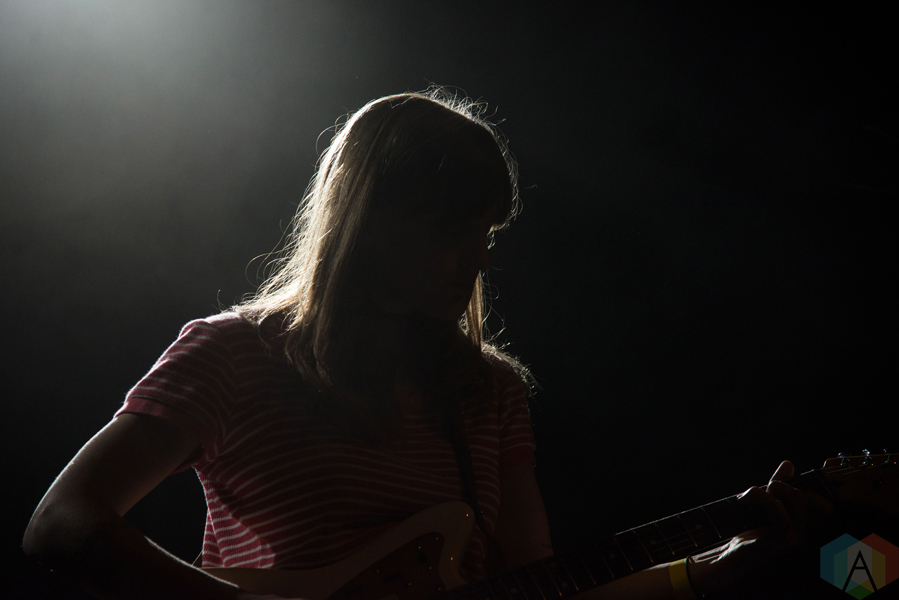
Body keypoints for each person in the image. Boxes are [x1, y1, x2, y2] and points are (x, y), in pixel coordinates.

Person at [24, 90, 813, 600]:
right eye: (454, 231)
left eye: (488, 233)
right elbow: (63, 521)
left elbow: (544, 586)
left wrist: (707, 569)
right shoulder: (230, 356)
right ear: (372, 222)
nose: (480, 259)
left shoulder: (487, 392)